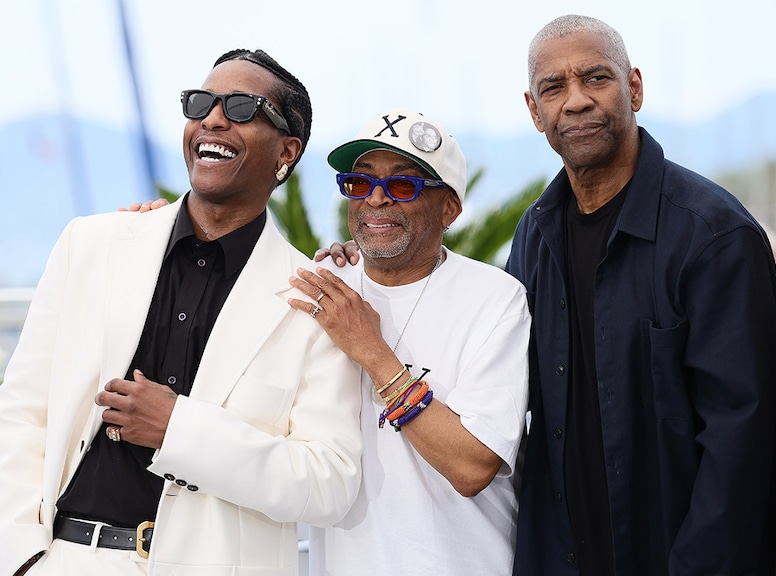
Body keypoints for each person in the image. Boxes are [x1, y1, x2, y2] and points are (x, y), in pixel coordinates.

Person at [0, 49, 362, 576]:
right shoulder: (91, 245)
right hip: (66, 559)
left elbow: (327, 483)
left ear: (287, 150)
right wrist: (21, 556)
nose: (213, 118)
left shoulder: (314, 299)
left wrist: (179, 429)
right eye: (201, 103)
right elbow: (22, 414)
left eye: (242, 108)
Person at [505, 14, 776, 575]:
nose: (575, 101)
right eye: (553, 88)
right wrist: (368, 267)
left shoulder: (715, 236)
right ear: (535, 112)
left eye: (595, 78)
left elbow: (744, 444)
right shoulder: (534, 235)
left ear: (635, 87)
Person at [286, 108, 531, 575]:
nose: (376, 200)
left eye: (403, 185)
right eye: (360, 183)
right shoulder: (323, 283)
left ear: (450, 209)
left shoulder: (496, 298)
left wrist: (374, 353)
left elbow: (472, 467)